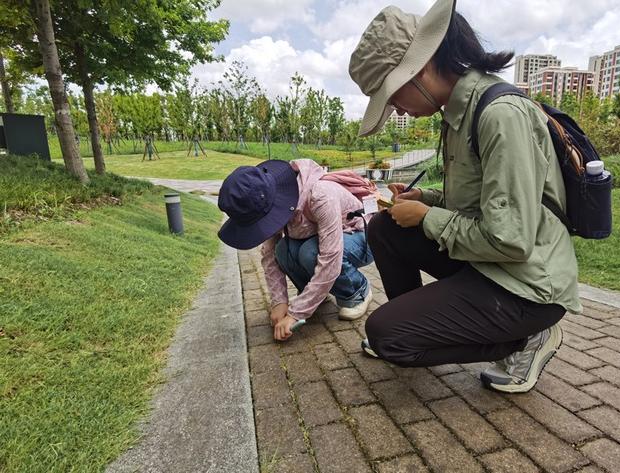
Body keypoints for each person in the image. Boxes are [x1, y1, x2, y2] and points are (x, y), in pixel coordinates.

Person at [348, 0, 581, 393]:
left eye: (391, 95)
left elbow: (511, 239)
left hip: (526, 286)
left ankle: (526, 340)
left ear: (420, 68)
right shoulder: (458, 112)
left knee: (388, 335)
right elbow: (477, 202)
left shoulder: (499, 115)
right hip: (491, 266)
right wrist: (425, 198)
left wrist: (425, 217)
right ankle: (423, 328)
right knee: (385, 228)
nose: (394, 107)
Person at [217, 159, 375, 341]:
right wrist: (279, 301)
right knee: (283, 250)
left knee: (310, 252)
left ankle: (358, 292)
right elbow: (269, 256)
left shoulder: (320, 195)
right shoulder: (268, 203)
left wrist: (295, 314)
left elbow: (330, 257)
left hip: (363, 238)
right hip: (324, 242)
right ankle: (315, 297)